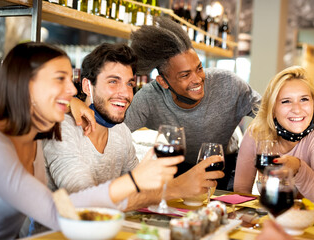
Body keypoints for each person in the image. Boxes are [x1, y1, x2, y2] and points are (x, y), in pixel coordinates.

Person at [0, 42, 183, 239]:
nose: (72, 90)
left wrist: (71, 104)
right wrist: (135, 181)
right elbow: (55, 212)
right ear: (26, 85)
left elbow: (61, 207)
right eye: (60, 79)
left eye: (70, 80)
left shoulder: (34, 139)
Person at [70, 16, 262, 191]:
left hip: (225, 166)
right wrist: (74, 102)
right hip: (180, 172)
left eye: (199, 68)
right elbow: (111, 127)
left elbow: (271, 113)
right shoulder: (148, 98)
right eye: (185, 75)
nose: (197, 79)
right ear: (163, 82)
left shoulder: (228, 83)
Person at [42, 42, 196, 211]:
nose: (125, 93)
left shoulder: (120, 131)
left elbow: (141, 191)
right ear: (87, 86)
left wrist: (184, 182)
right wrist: (175, 189)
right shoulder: (62, 129)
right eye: (113, 81)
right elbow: (84, 202)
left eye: (130, 84)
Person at [234, 66, 314, 211]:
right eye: (286, 101)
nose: (297, 109)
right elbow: (241, 191)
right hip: (276, 219)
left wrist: (298, 168)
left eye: (304, 99)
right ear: (272, 109)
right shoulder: (257, 133)